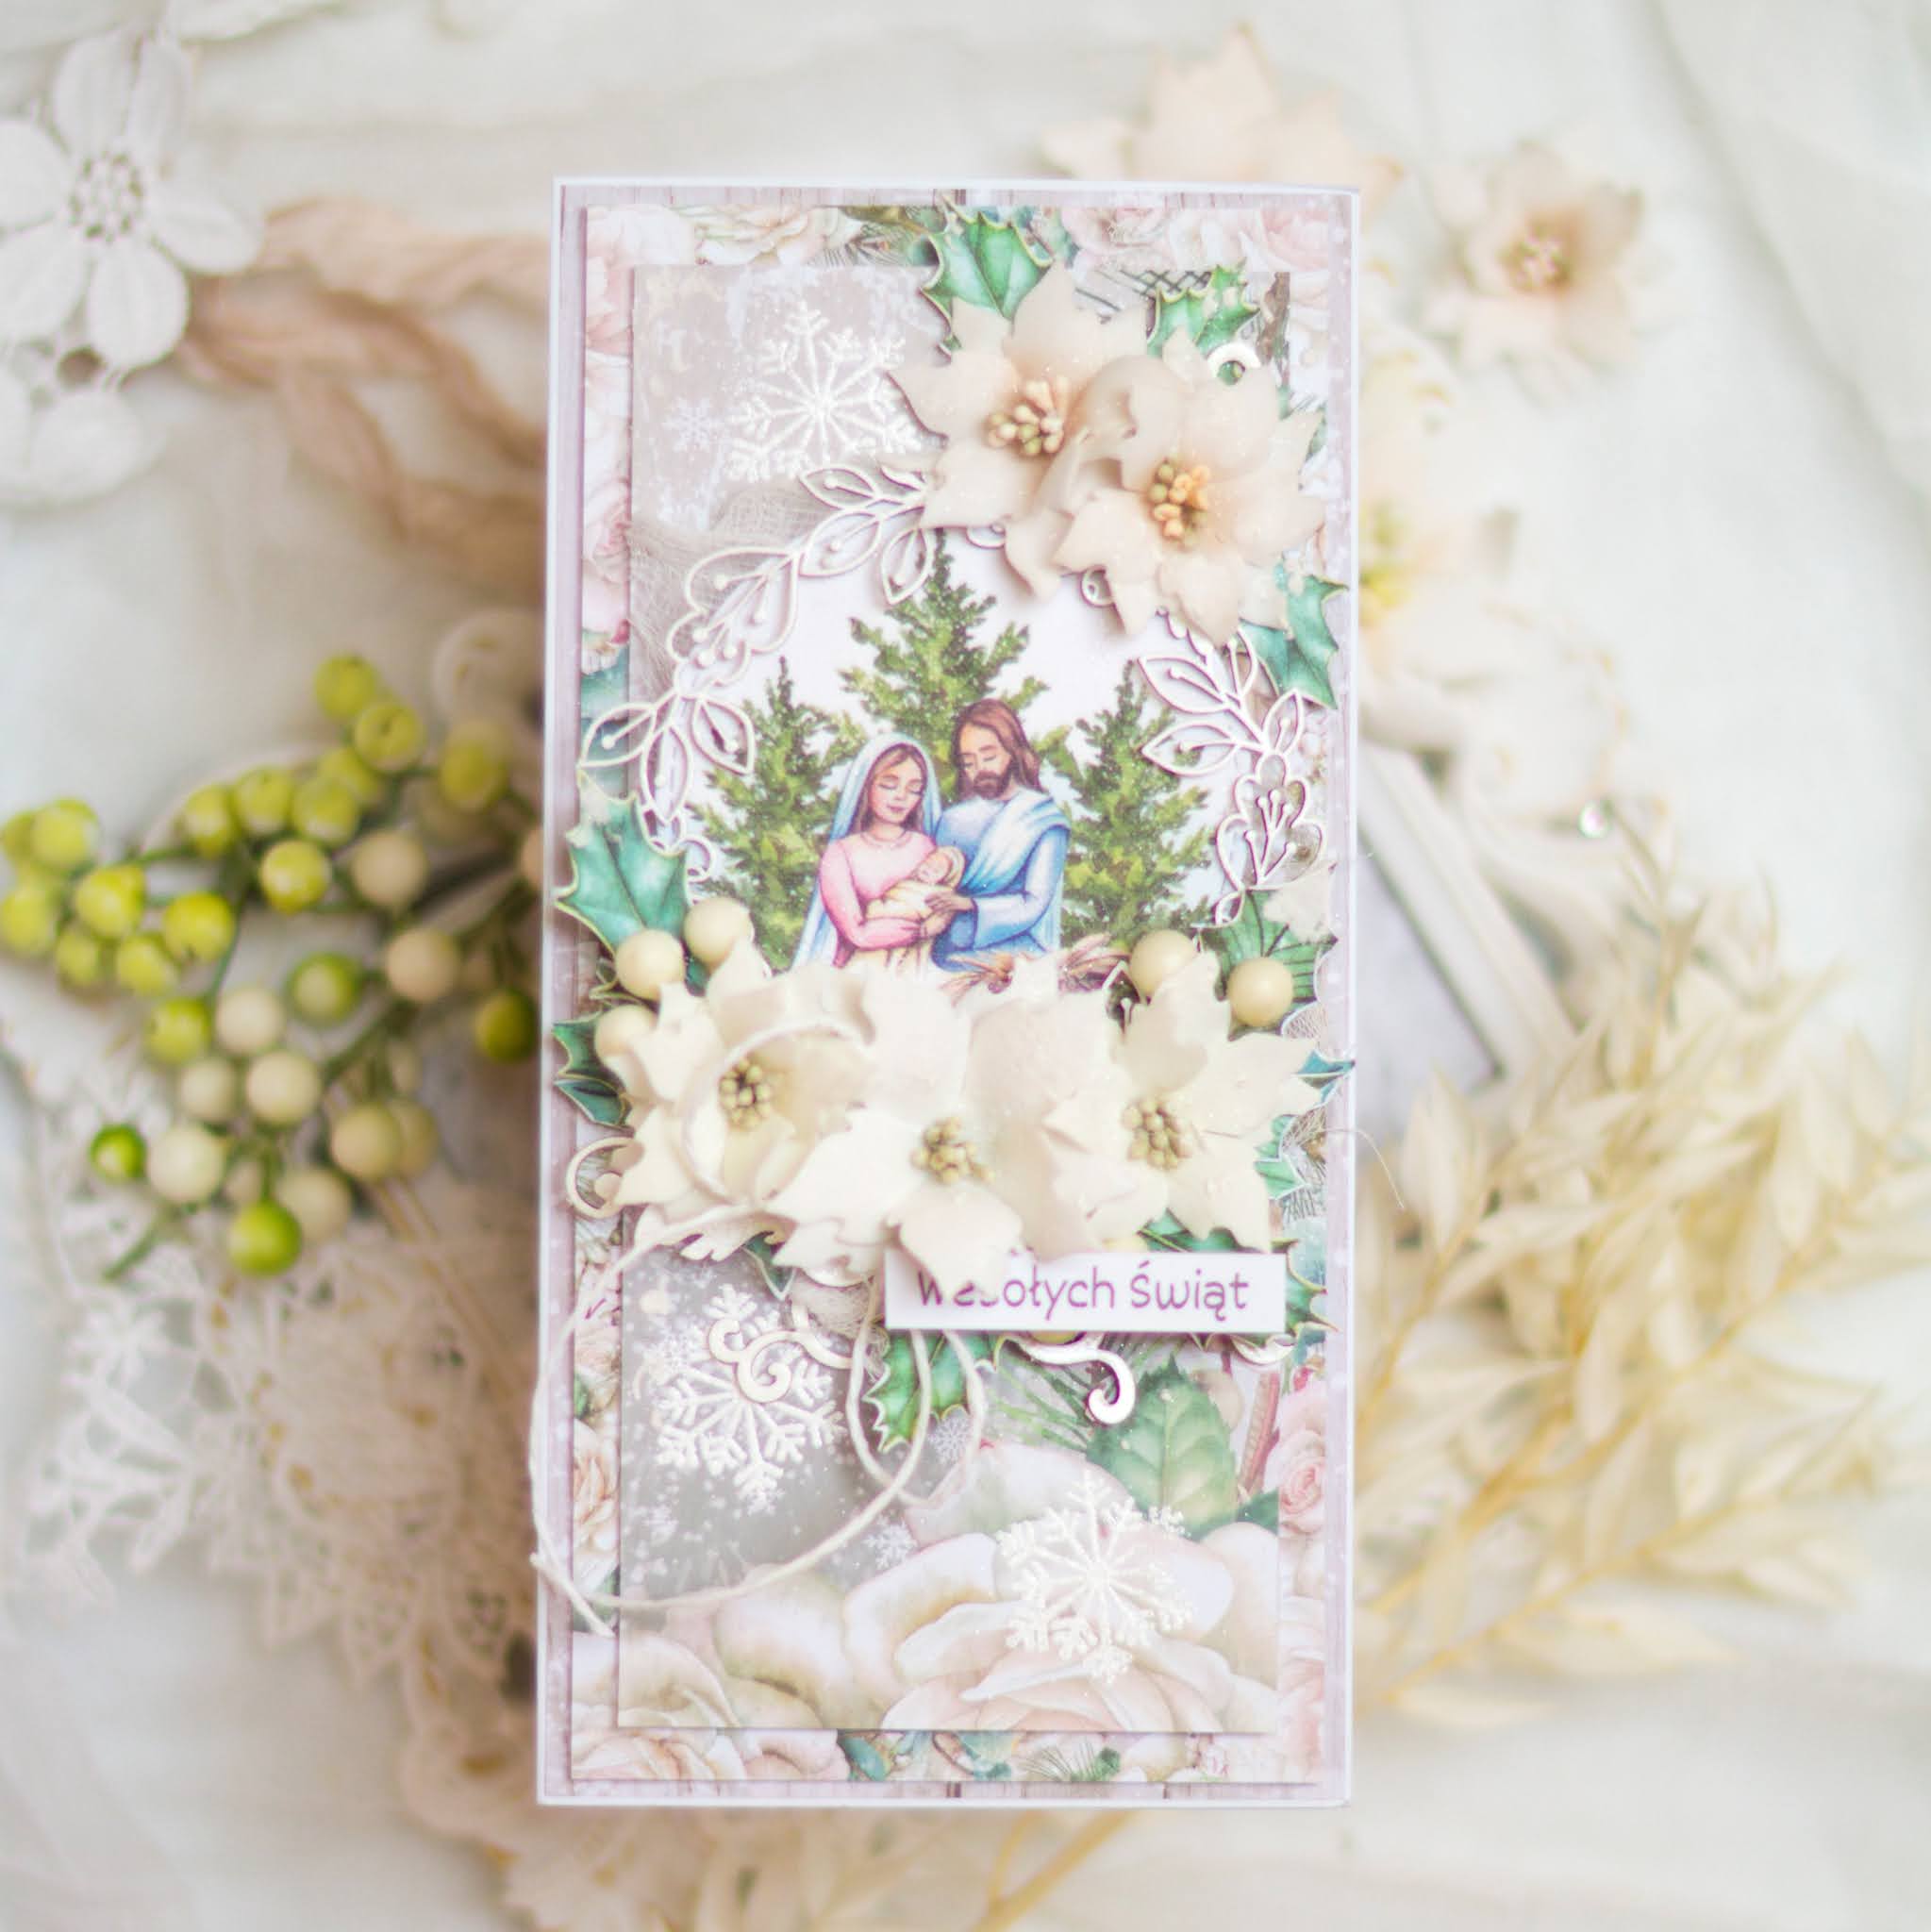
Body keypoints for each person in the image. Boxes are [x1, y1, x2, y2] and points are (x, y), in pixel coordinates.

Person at [927, 698, 1069, 972]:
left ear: (1012, 752)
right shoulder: (951, 820)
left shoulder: (1041, 819)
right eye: (968, 762)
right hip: (942, 952)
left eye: (989, 757)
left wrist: (969, 905)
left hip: (1012, 957)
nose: (979, 769)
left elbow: (1034, 903)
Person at [792, 736, 951, 970]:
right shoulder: (841, 854)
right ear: (866, 785)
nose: (901, 796)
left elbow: (941, 905)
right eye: (889, 785)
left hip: (915, 967)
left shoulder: (924, 847)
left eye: (914, 789)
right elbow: (858, 934)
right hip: (857, 972)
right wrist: (920, 930)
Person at [872, 843, 967, 974]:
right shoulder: (906, 883)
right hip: (881, 925)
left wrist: (935, 921)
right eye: (928, 863)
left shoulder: (942, 894)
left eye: (936, 870)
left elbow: (942, 915)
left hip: (908, 936)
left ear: (946, 876)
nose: (928, 869)